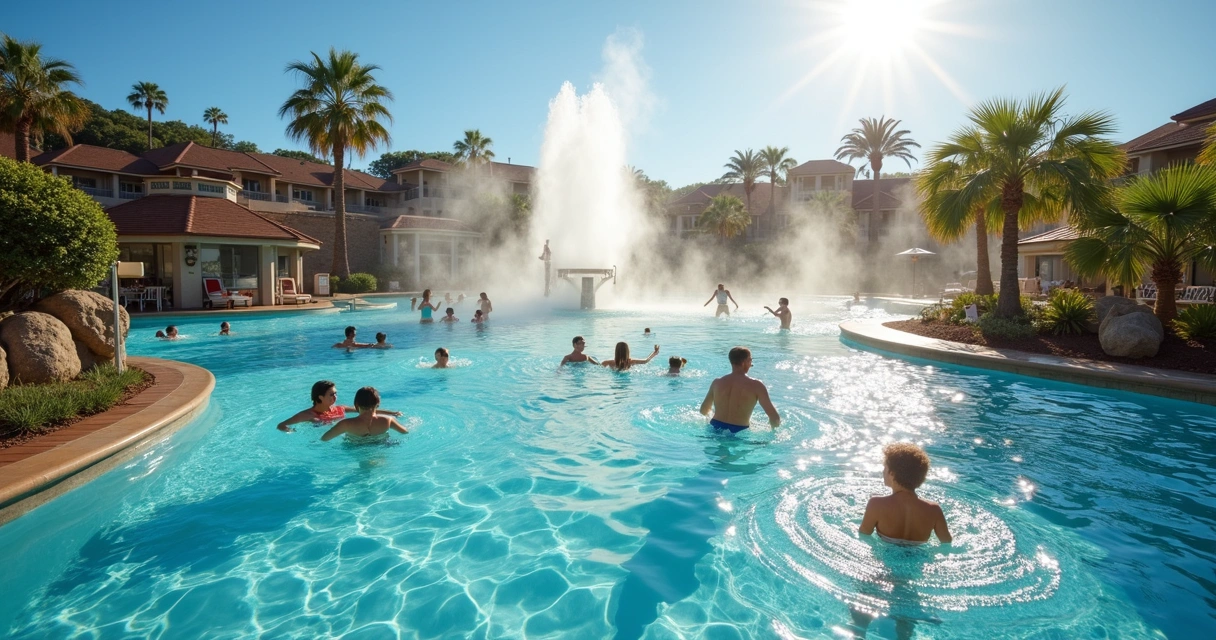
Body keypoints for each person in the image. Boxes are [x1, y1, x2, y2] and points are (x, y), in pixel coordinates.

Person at [859, 443, 953, 545]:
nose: (883, 472)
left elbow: (864, 535)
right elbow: (947, 541)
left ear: (892, 473)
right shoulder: (934, 510)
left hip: (886, 556)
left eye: (885, 468)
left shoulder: (876, 504)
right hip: (920, 557)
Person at [699, 346, 780, 433]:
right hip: (739, 431)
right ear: (744, 362)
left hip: (714, 427)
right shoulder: (757, 385)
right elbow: (774, 418)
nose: (751, 364)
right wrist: (772, 433)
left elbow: (703, 410)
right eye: (750, 360)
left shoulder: (717, 382)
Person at [277, 380, 402, 432]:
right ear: (320, 397)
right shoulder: (308, 415)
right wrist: (292, 432)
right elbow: (281, 425)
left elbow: (367, 408)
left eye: (336, 393)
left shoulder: (339, 408)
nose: (335, 397)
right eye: (331, 394)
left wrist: (392, 413)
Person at [321, 387, 409, 442]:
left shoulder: (346, 424)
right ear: (378, 403)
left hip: (355, 448)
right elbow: (405, 432)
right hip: (379, 446)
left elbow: (324, 439)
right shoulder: (388, 420)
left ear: (356, 404)